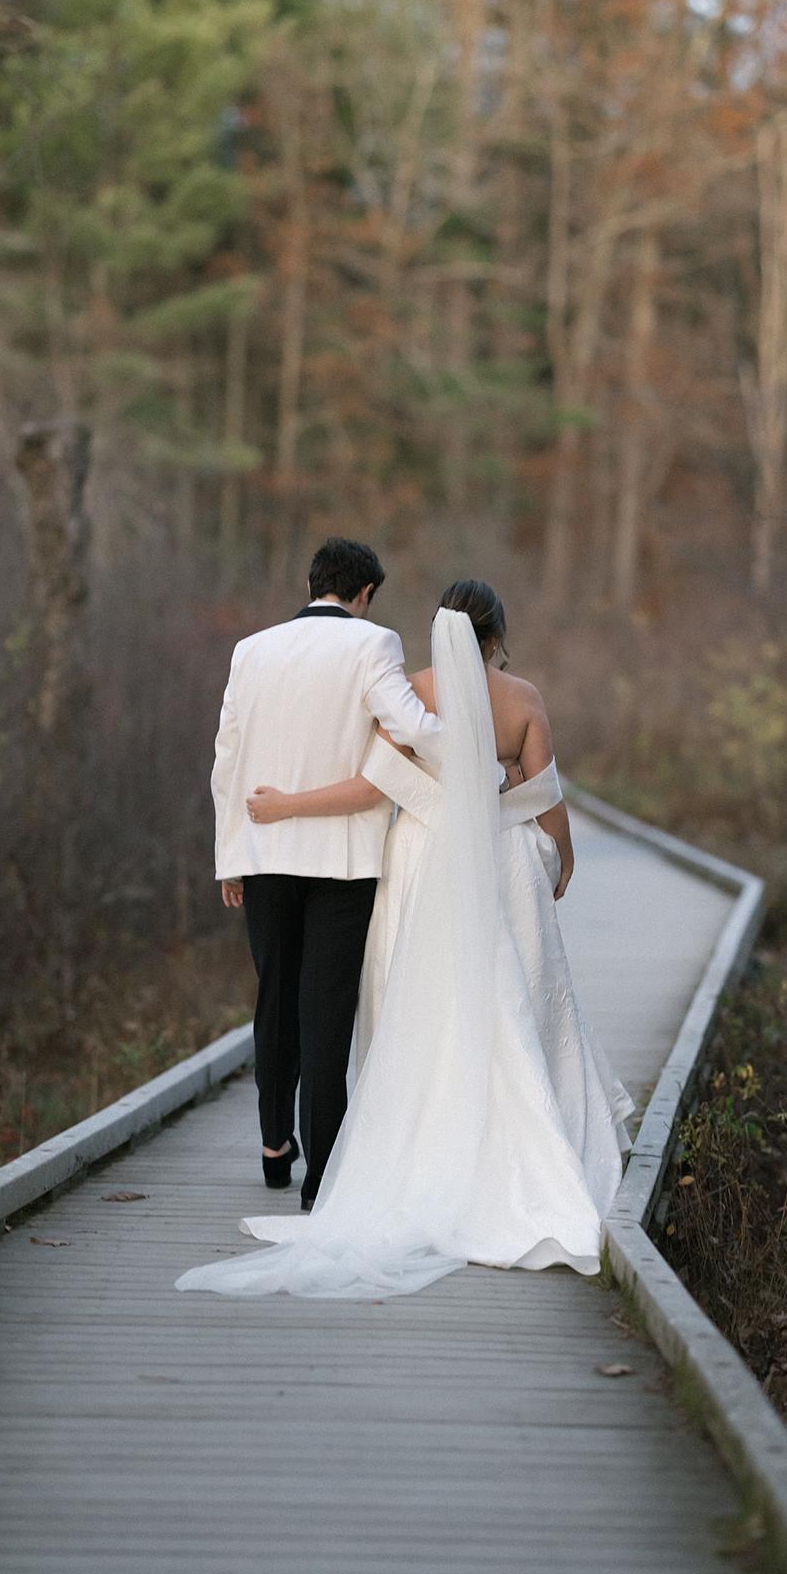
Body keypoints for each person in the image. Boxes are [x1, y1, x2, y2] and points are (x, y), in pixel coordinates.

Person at [175, 581, 632, 1301]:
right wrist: (564, 856)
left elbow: (370, 788)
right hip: (501, 859)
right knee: (510, 994)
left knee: (423, 1002)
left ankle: (419, 1147)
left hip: (420, 865)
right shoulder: (523, 697)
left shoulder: (412, 693)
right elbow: (544, 795)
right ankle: (524, 1139)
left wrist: (282, 805)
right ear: (496, 634)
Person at [209, 537, 442, 1211]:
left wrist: (230, 855)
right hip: (340, 861)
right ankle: (322, 1177)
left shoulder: (250, 650)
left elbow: (226, 756)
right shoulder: (374, 645)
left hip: (262, 851)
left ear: (312, 582)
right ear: (364, 593)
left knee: (274, 997)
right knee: (327, 1010)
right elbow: (413, 725)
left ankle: (274, 1145)